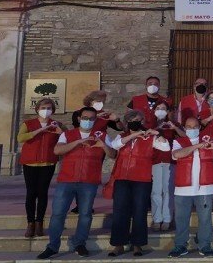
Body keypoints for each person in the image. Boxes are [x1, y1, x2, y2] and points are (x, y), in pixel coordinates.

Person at [37, 107, 116, 259]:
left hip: (89, 181)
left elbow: (113, 155)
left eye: (92, 118)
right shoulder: (68, 134)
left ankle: (80, 243)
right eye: (85, 118)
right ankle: (53, 246)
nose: (88, 121)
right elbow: (57, 151)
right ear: (79, 118)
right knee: (58, 214)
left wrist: (103, 146)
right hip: (66, 180)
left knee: (85, 215)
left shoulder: (102, 135)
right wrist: (78, 142)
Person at [107, 110, 171, 257]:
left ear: (142, 122)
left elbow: (166, 147)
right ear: (127, 122)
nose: (135, 122)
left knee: (139, 211)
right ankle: (119, 244)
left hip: (142, 178)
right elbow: (116, 146)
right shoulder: (121, 136)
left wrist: (157, 134)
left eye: (138, 120)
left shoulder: (149, 138)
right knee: (120, 212)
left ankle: (138, 244)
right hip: (122, 177)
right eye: (132, 120)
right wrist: (133, 135)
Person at [168, 117, 213, 258]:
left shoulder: (210, 139)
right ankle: (180, 245)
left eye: (195, 126)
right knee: (181, 218)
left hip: (205, 187)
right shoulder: (178, 141)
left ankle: (205, 245)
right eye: (189, 127)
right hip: (183, 187)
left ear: (199, 128)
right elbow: (177, 154)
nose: (192, 129)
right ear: (184, 128)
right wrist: (197, 146)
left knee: (205, 218)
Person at [17, 98, 67, 237]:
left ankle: (40, 222)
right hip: (30, 162)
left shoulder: (57, 124)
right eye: (44, 107)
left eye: (49, 108)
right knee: (31, 193)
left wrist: (60, 132)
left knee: (42, 192)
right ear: (38, 109)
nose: (46, 110)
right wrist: (39, 130)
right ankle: (30, 223)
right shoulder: (29, 123)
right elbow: (20, 138)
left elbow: (68, 138)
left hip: (48, 162)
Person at [69, 90, 121, 214]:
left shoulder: (105, 115)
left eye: (102, 101)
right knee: (80, 174)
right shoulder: (79, 113)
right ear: (90, 101)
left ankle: (88, 203)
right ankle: (79, 203)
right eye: (98, 101)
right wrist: (96, 117)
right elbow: (76, 124)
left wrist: (117, 119)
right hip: (82, 146)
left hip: (98, 148)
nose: (100, 103)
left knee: (92, 176)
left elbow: (120, 128)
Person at [150, 101, 178, 231]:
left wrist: (174, 128)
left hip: (170, 161)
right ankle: (157, 219)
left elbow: (184, 136)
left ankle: (167, 219)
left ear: (168, 111)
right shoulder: (150, 125)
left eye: (163, 108)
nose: (160, 110)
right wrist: (156, 129)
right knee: (156, 191)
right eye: (158, 108)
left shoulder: (173, 125)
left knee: (168, 191)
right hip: (155, 161)